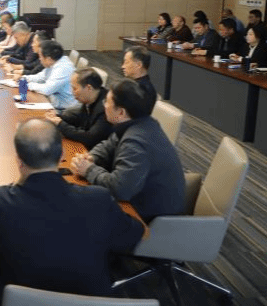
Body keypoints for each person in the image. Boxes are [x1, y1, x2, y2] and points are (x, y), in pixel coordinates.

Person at [0, 119, 143, 306]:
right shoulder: (99, 199)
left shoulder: (2, 200)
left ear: (19, 162)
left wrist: (17, 184)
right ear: (62, 154)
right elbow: (134, 234)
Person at [70, 79, 185, 222]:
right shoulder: (138, 123)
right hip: (140, 199)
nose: (104, 105)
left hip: (150, 219)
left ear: (121, 112)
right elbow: (109, 144)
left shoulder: (135, 142)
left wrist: (89, 170)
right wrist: (91, 157)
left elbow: (119, 189)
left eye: (107, 102)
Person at [44, 68, 112, 148]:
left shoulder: (106, 108)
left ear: (89, 88)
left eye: (75, 88)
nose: (72, 92)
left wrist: (60, 124)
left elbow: (90, 138)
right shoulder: (91, 98)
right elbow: (79, 119)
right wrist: (56, 117)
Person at [24, 40, 76, 110]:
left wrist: (27, 85)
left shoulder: (63, 68)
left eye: (40, 56)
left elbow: (47, 89)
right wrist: (24, 78)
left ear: (48, 59)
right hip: (54, 100)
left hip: (64, 108)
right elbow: (40, 77)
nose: (39, 59)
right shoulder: (54, 62)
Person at [122, 46, 157, 111]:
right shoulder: (135, 84)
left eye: (126, 62)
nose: (123, 66)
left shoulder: (143, 91)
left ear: (139, 65)